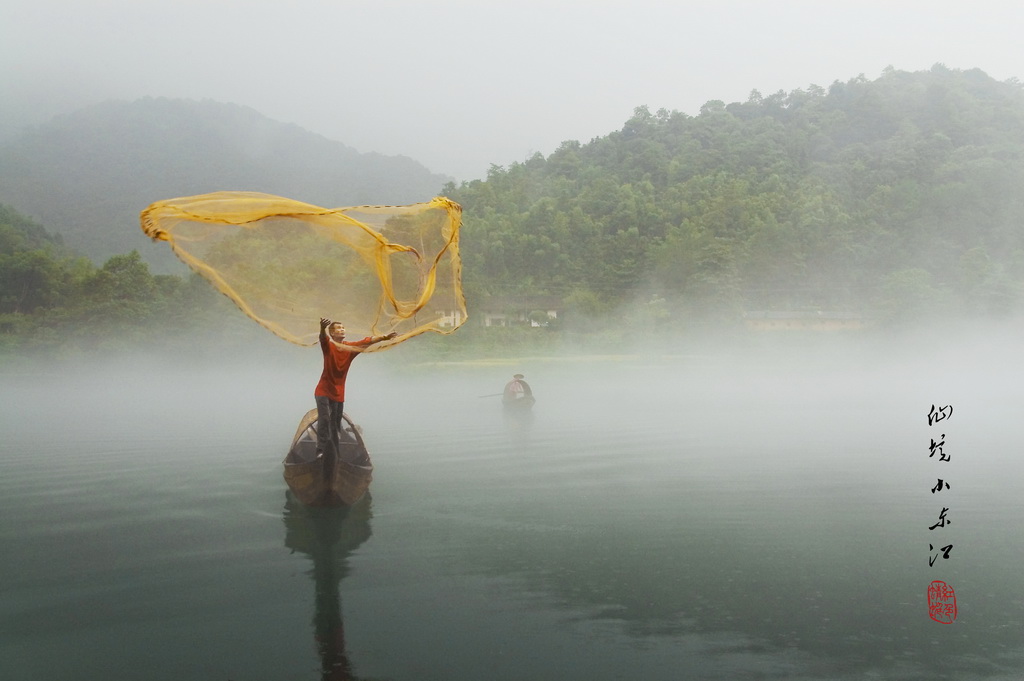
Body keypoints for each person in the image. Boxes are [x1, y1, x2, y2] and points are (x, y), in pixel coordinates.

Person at [315, 317, 395, 458]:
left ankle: (335, 452)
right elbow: (323, 338)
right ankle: (320, 449)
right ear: (332, 334)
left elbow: (366, 341)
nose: (342, 330)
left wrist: (384, 337)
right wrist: (322, 328)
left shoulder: (350, 348)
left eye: (343, 328)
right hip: (323, 390)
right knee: (325, 418)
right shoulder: (329, 346)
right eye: (338, 328)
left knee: (336, 423)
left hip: (339, 393)